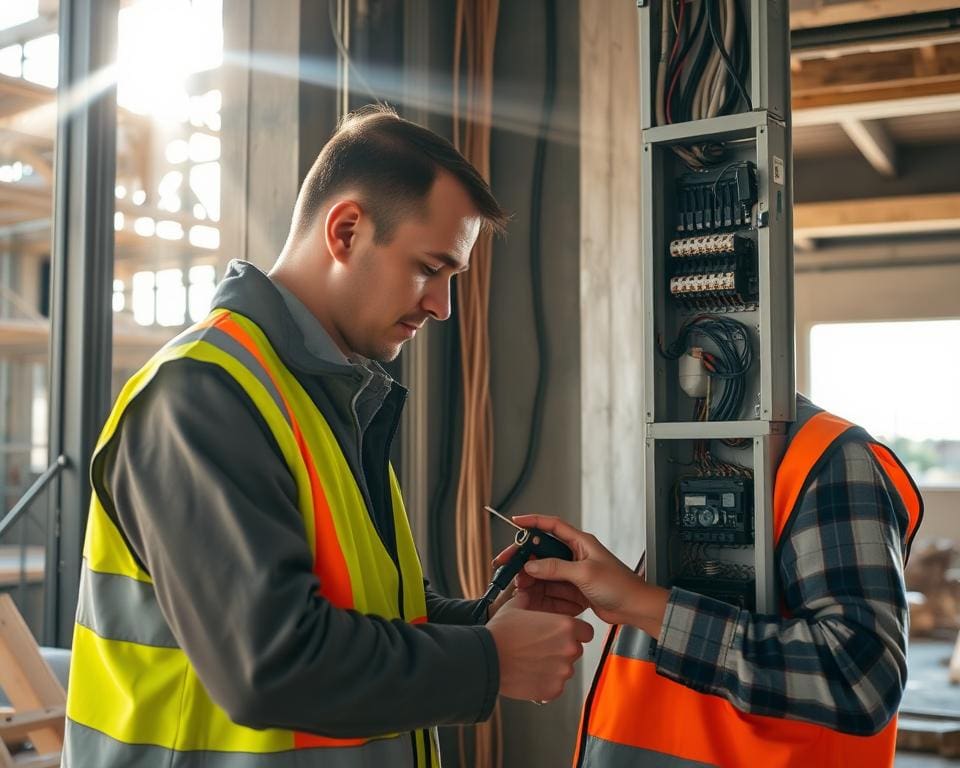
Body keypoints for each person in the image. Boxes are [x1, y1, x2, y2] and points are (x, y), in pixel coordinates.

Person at [63, 105, 594, 768]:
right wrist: (490, 662)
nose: (442, 307)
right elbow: (270, 663)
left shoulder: (325, 397)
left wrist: (490, 620)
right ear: (345, 231)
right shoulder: (199, 396)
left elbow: (376, 613)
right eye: (431, 269)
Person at [501, 395, 923, 768]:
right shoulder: (689, 443)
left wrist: (646, 607)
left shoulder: (830, 457)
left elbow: (862, 679)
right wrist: (629, 602)